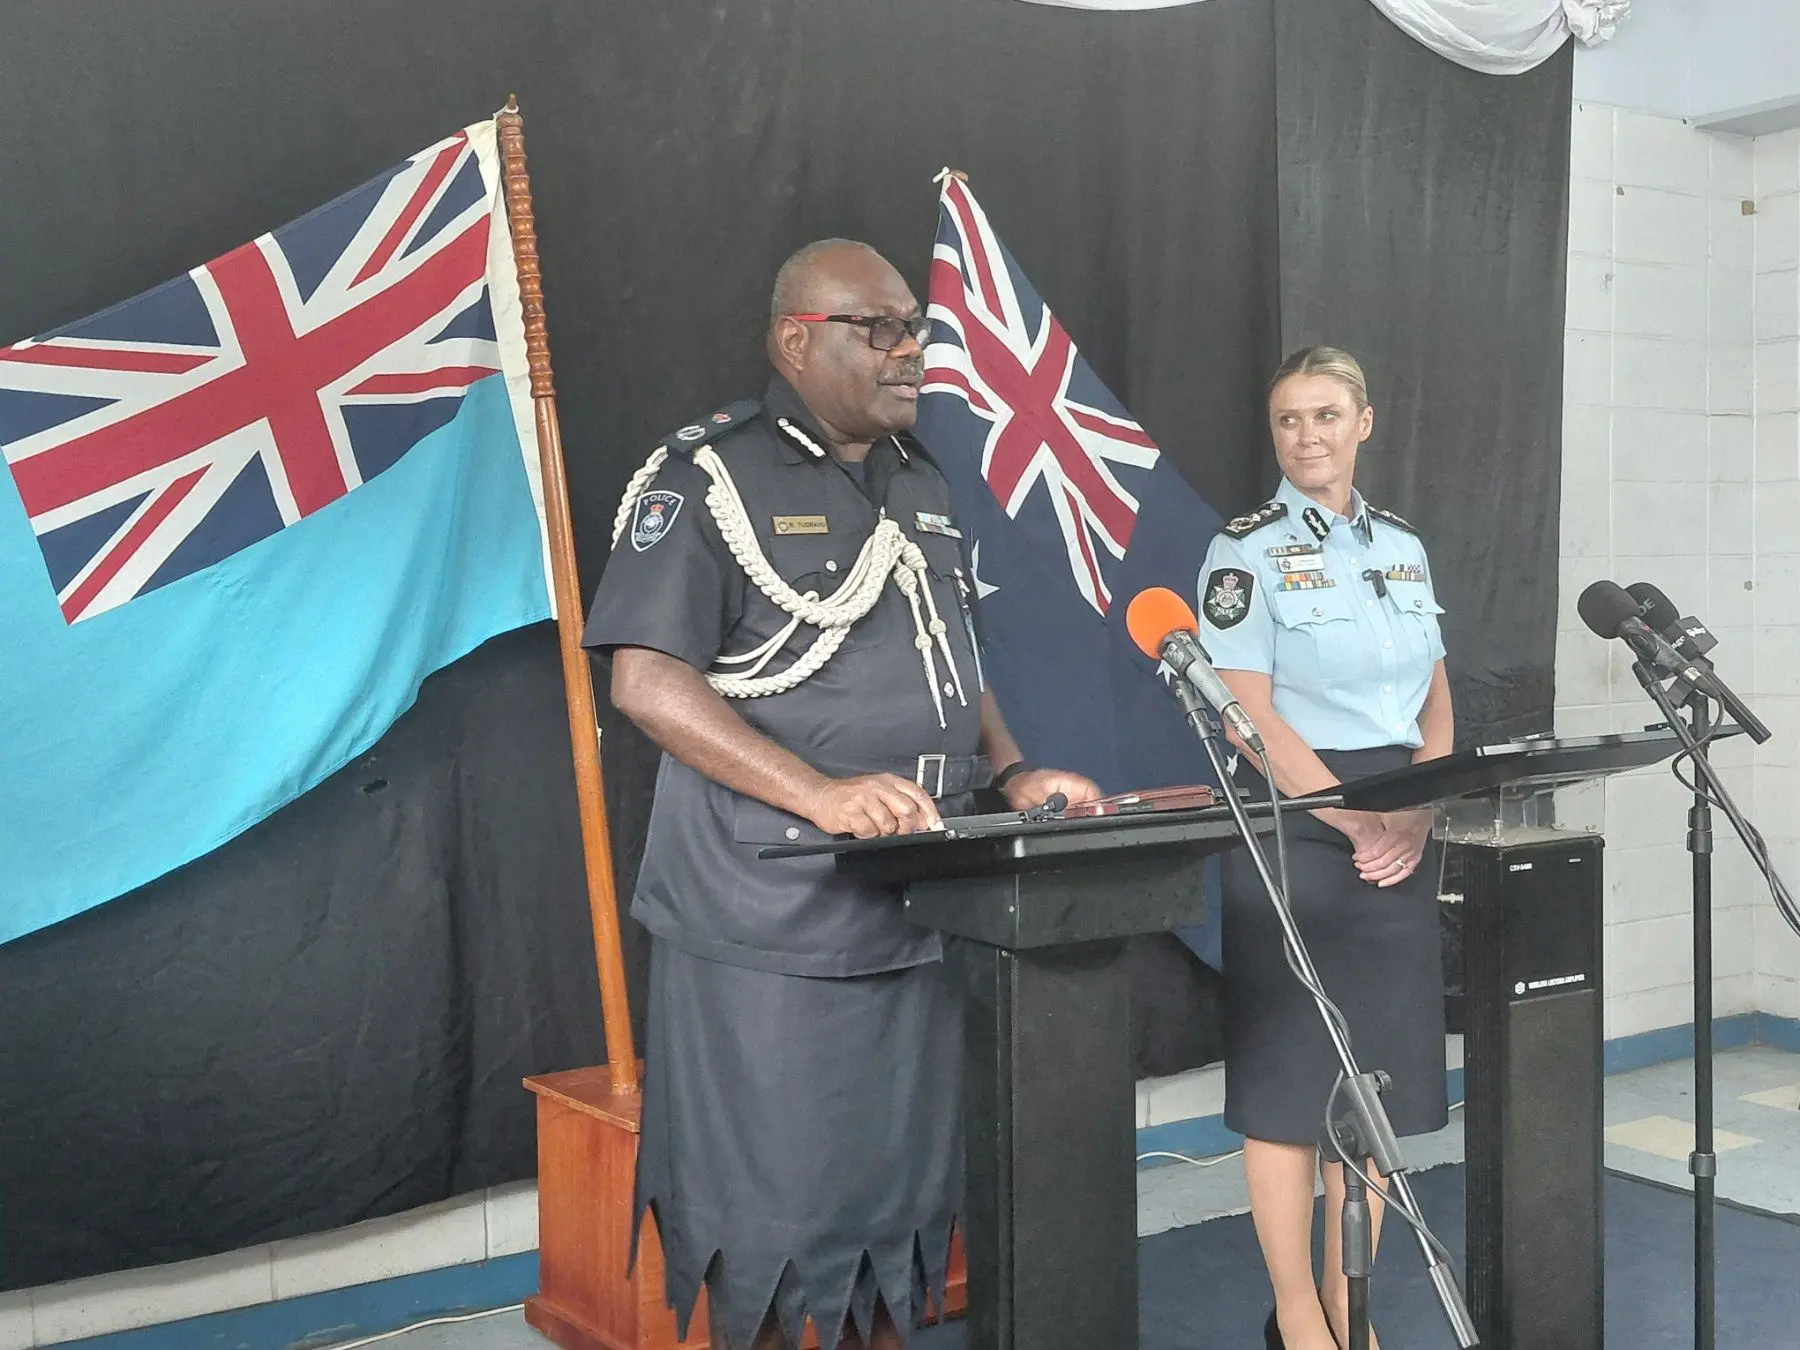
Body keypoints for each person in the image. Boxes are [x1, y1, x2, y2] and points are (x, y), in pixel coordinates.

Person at [582, 238, 1098, 1350]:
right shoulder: (709, 478)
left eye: (917, 327)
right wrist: (816, 791)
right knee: (766, 1227)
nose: (912, 350)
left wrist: (1012, 774)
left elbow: (952, 653)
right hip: (769, 929)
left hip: (912, 910)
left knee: (890, 1224)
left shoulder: (920, 481)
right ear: (797, 340)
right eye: (881, 328)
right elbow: (647, 681)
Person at [1196, 346, 1453, 1350]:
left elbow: (1436, 693)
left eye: (1326, 416)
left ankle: (1354, 1304)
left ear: (1364, 424)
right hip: (1292, 825)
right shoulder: (1244, 551)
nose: (1308, 435)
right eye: (1290, 420)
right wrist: (1351, 816)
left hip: (1401, 815)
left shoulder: (1403, 546)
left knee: (1372, 1083)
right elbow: (1244, 715)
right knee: (1289, 1084)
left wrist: (1422, 808)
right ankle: (1298, 1316)